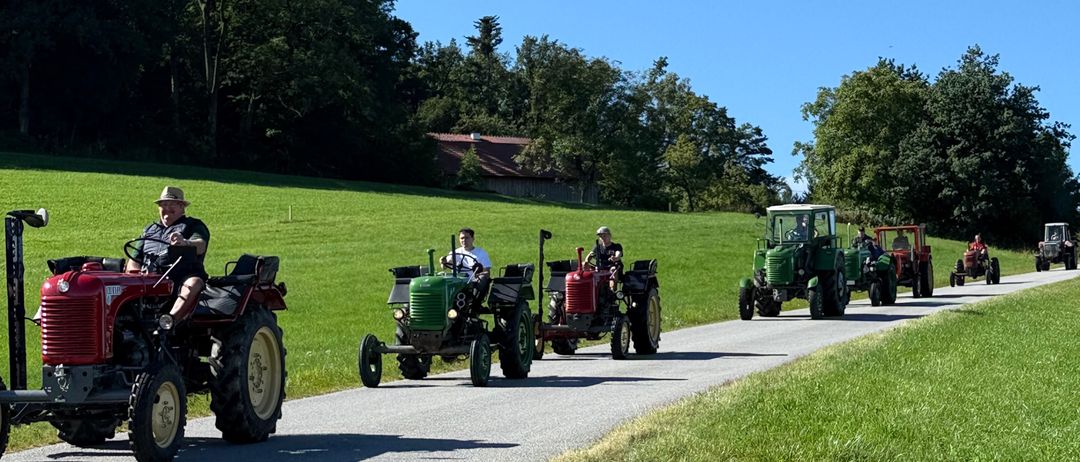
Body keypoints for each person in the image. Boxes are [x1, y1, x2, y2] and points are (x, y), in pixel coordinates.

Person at [125, 186, 210, 327]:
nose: (167, 208)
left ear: (182, 207)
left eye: (172, 204)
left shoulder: (193, 225)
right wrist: (135, 274)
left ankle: (168, 323)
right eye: (163, 205)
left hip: (180, 278)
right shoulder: (149, 230)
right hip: (149, 279)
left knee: (193, 283)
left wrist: (185, 242)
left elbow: (201, 245)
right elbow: (134, 260)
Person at [440, 227, 492, 298]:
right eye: (462, 238)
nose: (464, 240)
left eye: (467, 238)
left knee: (482, 278)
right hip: (457, 282)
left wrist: (478, 275)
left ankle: (474, 301)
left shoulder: (481, 253)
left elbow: (487, 272)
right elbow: (444, 267)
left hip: (473, 283)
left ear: (473, 239)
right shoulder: (455, 253)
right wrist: (443, 261)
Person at [586, 226, 624, 290]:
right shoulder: (597, 247)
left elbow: (618, 253)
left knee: (613, 269)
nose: (603, 238)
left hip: (614, 268)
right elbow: (590, 255)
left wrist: (615, 258)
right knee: (584, 266)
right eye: (601, 236)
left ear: (610, 236)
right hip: (601, 269)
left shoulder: (616, 246)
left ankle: (612, 290)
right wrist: (586, 262)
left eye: (604, 236)